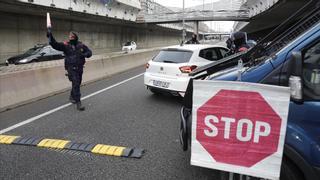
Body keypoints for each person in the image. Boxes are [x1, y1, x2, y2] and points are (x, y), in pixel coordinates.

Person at [47, 30, 92, 111]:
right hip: (71, 68)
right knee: (76, 83)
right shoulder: (66, 45)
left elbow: (89, 52)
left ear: (76, 36)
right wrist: (50, 36)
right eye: (69, 35)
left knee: (77, 84)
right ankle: (78, 103)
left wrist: (85, 54)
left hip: (80, 68)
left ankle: (72, 96)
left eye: (72, 35)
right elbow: (55, 45)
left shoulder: (81, 45)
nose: (70, 36)